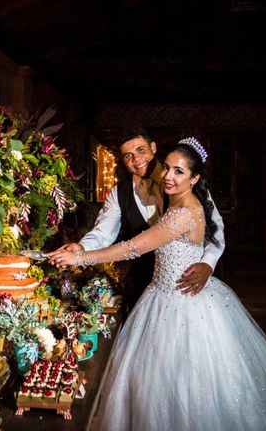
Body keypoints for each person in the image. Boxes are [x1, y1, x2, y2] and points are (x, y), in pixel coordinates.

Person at [48, 139, 266, 431]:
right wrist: (83, 248)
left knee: (182, 384)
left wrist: (81, 259)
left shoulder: (183, 212)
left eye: (178, 171)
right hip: (162, 293)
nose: (168, 175)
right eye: (167, 167)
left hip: (178, 301)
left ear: (194, 178)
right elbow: (109, 232)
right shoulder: (170, 202)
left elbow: (134, 247)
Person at [48, 127, 225, 313]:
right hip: (143, 282)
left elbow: (215, 228)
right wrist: (82, 248)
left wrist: (208, 263)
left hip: (186, 284)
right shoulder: (119, 193)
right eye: (128, 156)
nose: (136, 159)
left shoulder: (187, 184)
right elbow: (103, 232)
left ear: (153, 147)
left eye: (141, 150)